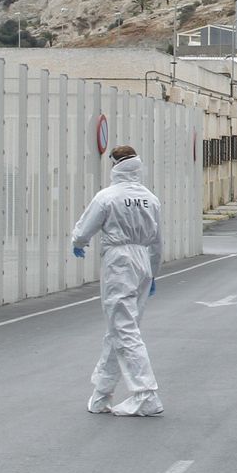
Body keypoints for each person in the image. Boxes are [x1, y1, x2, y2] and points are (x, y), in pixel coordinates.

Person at [73, 144, 164, 417]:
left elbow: (85, 228)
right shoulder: (151, 199)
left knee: (123, 328)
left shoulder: (107, 197)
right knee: (122, 327)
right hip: (143, 262)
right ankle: (102, 393)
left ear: (114, 166)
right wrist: (154, 273)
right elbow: (158, 243)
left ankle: (146, 393)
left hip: (119, 262)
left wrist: (78, 241)